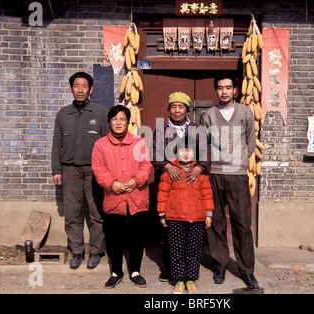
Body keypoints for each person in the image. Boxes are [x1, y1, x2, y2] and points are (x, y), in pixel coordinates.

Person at [201, 73, 259, 289]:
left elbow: (250, 141)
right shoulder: (209, 115)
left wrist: (240, 161)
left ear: (235, 90)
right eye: (220, 88)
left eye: (228, 87)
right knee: (216, 222)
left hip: (237, 174)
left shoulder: (245, 112)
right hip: (214, 174)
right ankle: (220, 266)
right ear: (216, 90)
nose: (224, 91)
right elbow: (204, 144)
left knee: (242, 224)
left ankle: (247, 271)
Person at [151, 91, 211, 282]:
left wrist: (200, 168)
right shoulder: (161, 130)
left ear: (187, 109)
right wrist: (167, 166)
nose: (177, 111)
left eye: (181, 107)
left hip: (192, 184)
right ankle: (168, 268)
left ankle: (189, 268)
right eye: (174, 107)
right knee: (169, 229)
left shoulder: (197, 129)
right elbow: (155, 153)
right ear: (169, 109)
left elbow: (206, 153)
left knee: (191, 231)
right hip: (171, 184)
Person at [51, 71, 108, 270]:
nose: (80, 90)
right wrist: (56, 170)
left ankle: (95, 251)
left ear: (90, 89)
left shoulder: (100, 113)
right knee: (72, 213)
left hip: (94, 170)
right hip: (70, 170)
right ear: (71, 89)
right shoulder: (63, 114)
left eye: (84, 86)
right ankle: (76, 251)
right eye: (76, 86)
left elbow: (108, 143)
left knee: (95, 212)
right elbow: (56, 144)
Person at [91, 105, 152, 289]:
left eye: (122, 119)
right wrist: (112, 183)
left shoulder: (138, 143)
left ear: (128, 122)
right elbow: (98, 168)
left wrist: (136, 180)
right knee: (114, 236)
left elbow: (146, 165)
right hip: (114, 196)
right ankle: (116, 271)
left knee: (136, 235)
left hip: (137, 195)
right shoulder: (100, 144)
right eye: (114, 119)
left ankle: (135, 271)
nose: (118, 123)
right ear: (109, 122)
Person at [157, 142, 214, 294]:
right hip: (176, 217)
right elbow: (163, 194)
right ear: (176, 153)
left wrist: (208, 214)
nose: (186, 154)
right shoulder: (170, 173)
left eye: (190, 151)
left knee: (194, 250)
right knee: (176, 250)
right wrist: (162, 213)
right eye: (182, 150)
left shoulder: (201, 174)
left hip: (196, 218)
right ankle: (179, 281)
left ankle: (191, 279)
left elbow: (207, 195)